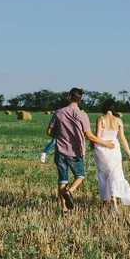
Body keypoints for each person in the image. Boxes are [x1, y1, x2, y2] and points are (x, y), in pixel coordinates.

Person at [47, 88, 115, 217]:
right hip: (75, 151)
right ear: (81, 100)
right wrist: (105, 143)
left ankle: (64, 209)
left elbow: (49, 132)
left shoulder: (58, 113)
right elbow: (89, 136)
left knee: (62, 180)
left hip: (60, 151)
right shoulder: (82, 115)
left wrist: (61, 138)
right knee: (80, 176)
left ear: (69, 97)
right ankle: (70, 192)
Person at [93, 99, 130, 210]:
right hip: (114, 151)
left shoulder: (101, 119)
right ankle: (114, 200)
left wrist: (92, 144)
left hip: (102, 150)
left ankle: (104, 201)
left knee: (102, 175)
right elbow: (122, 138)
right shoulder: (118, 121)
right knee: (114, 175)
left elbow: (97, 137)